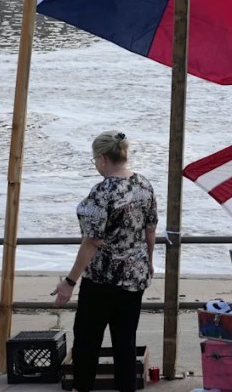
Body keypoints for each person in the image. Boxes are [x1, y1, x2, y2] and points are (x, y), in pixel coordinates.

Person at [53, 131, 158, 392]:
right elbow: (150, 230)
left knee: (87, 342)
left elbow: (92, 241)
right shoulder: (144, 184)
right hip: (135, 276)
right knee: (125, 342)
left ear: (102, 159)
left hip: (102, 279)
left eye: (94, 160)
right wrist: (149, 262)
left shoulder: (102, 191)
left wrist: (69, 282)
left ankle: (83, 388)